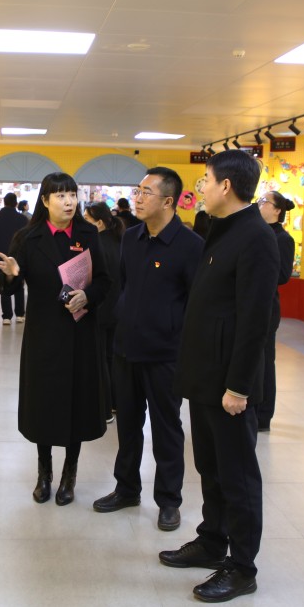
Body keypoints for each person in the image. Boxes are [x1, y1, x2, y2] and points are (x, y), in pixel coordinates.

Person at [159, 150, 279, 603]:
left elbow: (255, 320)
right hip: (205, 376)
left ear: (226, 186)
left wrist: (239, 387)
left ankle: (242, 566)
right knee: (210, 467)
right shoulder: (221, 228)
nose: (202, 187)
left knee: (238, 475)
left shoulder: (256, 237)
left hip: (230, 385)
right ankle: (213, 540)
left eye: (206, 180)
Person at [92, 168, 203, 533]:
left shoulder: (190, 246)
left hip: (165, 354)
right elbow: (125, 286)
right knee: (127, 425)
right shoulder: (132, 237)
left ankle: (169, 501)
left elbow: (195, 305)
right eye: (137, 191)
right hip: (126, 348)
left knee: (167, 428)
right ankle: (126, 488)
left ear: (168, 201)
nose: (137, 199)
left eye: (146, 193)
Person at [0, 172, 110, 506]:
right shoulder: (27, 237)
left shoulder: (88, 234)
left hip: (80, 332)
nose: (68, 201)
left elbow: (105, 280)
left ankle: (70, 474)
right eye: (60, 196)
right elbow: (8, 288)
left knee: (76, 403)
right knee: (43, 404)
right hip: (43, 333)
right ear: (45, 201)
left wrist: (88, 296)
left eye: (72, 194)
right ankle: (44, 472)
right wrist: (11, 276)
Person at [255, 190, 296, 432]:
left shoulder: (283, 239)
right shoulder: (257, 233)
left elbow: (282, 275)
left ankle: (263, 415)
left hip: (267, 308)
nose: (259, 204)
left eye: (264, 202)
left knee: (265, 362)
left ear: (277, 210)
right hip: (252, 305)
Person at [83, 202, 124, 423]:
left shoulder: (96, 245)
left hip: (100, 310)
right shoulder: (121, 241)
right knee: (112, 359)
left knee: (101, 361)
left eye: (87, 220)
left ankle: (105, 409)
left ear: (99, 223)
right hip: (119, 310)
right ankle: (116, 404)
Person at [0, 192, 29, 325]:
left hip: (1, 257)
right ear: (16, 204)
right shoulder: (23, 219)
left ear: (4, 203)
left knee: (3, 283)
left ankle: (7, 316)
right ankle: (20, 314)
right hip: (19, 257)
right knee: (19, 283)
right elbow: (28, 238)